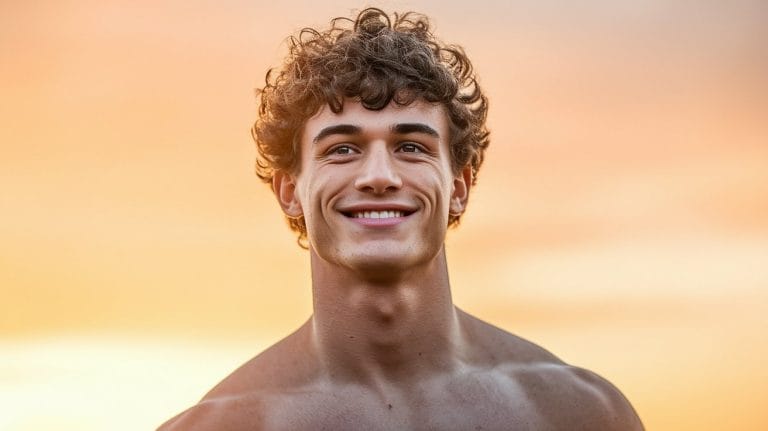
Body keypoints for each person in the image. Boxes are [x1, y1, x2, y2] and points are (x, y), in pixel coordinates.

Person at [158, 8, 644, 430]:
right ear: (290, 192)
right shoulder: (223, 426)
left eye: (411, 147)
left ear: (459, 188)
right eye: (342, 149)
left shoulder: (579, 415)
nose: (378, 176)